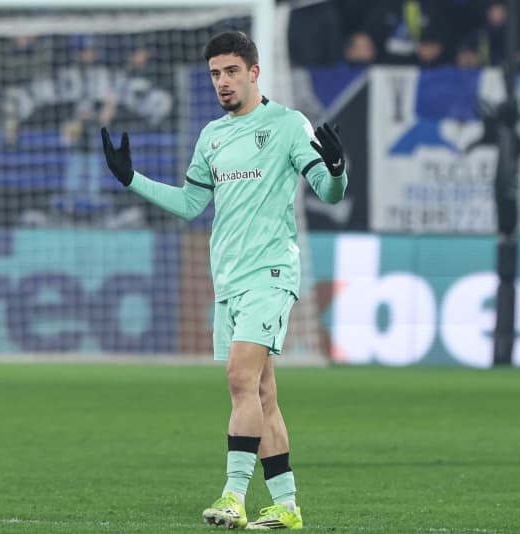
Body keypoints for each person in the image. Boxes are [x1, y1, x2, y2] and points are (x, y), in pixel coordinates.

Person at [101, 30, 348, 529]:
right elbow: (192, 204)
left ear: (254, 72)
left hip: (271, 272)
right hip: (228, 280)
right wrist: (132, 180)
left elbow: (328, 191)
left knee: (239, 378)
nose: (223, 82)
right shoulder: (212, 135)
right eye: (215, 74)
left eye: (232, 71)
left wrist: (338, 168)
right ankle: (286, 505)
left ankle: (233, 496)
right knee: (262, 395)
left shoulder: (286, 124)